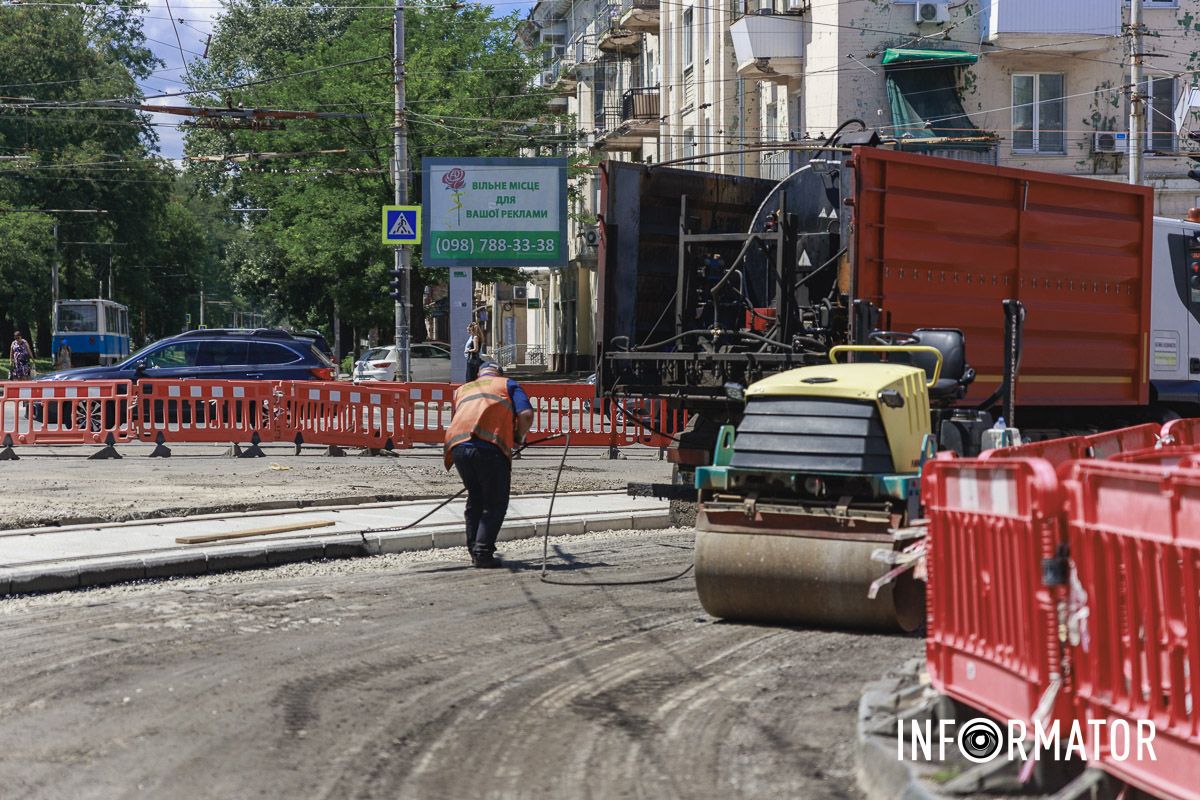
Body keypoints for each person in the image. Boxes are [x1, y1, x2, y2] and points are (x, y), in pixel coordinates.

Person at [443, 361, 534, 568]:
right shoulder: (507, 384)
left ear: (479, 374)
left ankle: (475, 550)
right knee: (495, 502)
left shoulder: (462, 389)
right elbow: (526, 415)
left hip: (457, 447)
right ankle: (483, 553)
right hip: (488, 448)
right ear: (498, 374)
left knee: (476, 498)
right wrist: (519, 437)